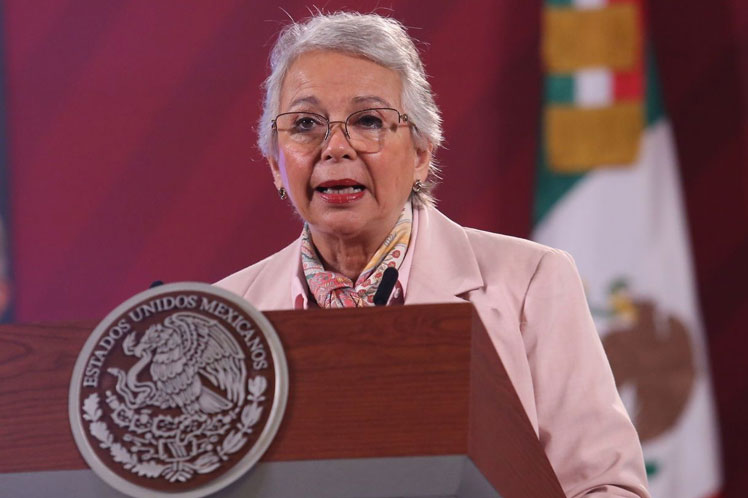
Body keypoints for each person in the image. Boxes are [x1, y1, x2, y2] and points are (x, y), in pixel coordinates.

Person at [216, 11, 650, 497]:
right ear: (276, 164)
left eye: (368, 120)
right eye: (305, 124)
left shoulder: (530, 282)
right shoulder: (224, 316)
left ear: (421, 154)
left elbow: (608, 487)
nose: (335, 147)